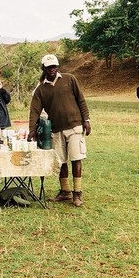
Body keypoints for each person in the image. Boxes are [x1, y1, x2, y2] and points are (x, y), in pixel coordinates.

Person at [28, 54, 91, 207]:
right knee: (61, 161)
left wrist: (86, 120)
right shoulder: (41, 89)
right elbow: (34, 111)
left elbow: (81, 100)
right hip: (56, 129)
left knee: (76, 158)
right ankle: (65, 191)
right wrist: (32, 130)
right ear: (43, 68)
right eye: (49, 67)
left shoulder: (70, 79)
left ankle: (77, 193)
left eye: (54, 66)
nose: (52, 69)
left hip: (74, 126)